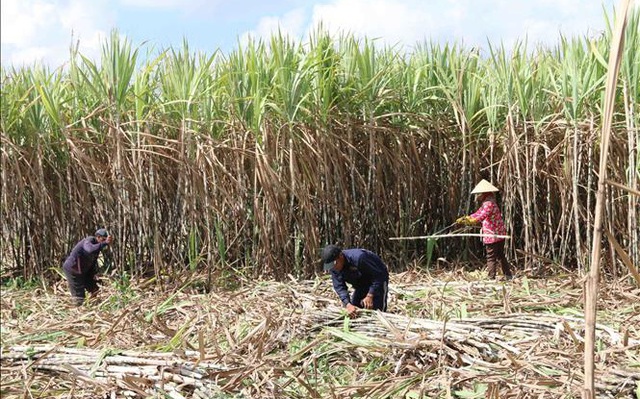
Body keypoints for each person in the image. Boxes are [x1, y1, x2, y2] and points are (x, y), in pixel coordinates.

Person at [456, 179, 513, 280]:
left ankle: (491, 276)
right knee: (500, 255)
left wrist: (471, 221)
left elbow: (481, 216)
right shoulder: (488, 202)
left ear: (484, 193)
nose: (477, 197)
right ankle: (508, 274)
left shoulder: (488, 204)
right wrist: (467, 218)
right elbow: (478, 213)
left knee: (491, 256)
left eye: (479, 194)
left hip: (493, 235)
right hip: (498, 233)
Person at [321, 244, 389, 318]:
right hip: (360, 284)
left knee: (378, 312)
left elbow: (378, 276)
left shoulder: (359, 258)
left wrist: (370, 295)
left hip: (377, 279)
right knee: (355, 310)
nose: (333, 267)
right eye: (330, 266)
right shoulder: (334, 268)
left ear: (341, 255)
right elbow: (340, 287)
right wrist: (347, 304)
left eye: (334, 264)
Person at [62, 228, 112, 306]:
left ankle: (94, 305)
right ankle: (78, 310)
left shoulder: (98, 247)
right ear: (98, 237)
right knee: (79, 296)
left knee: (94, 288)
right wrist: (105, 243)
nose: (103, 241)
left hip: (83, 270)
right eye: (103, 239)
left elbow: (92, 262)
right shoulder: (89, 240)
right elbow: (89, 249)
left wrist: (93, 274)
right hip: (73, 269)